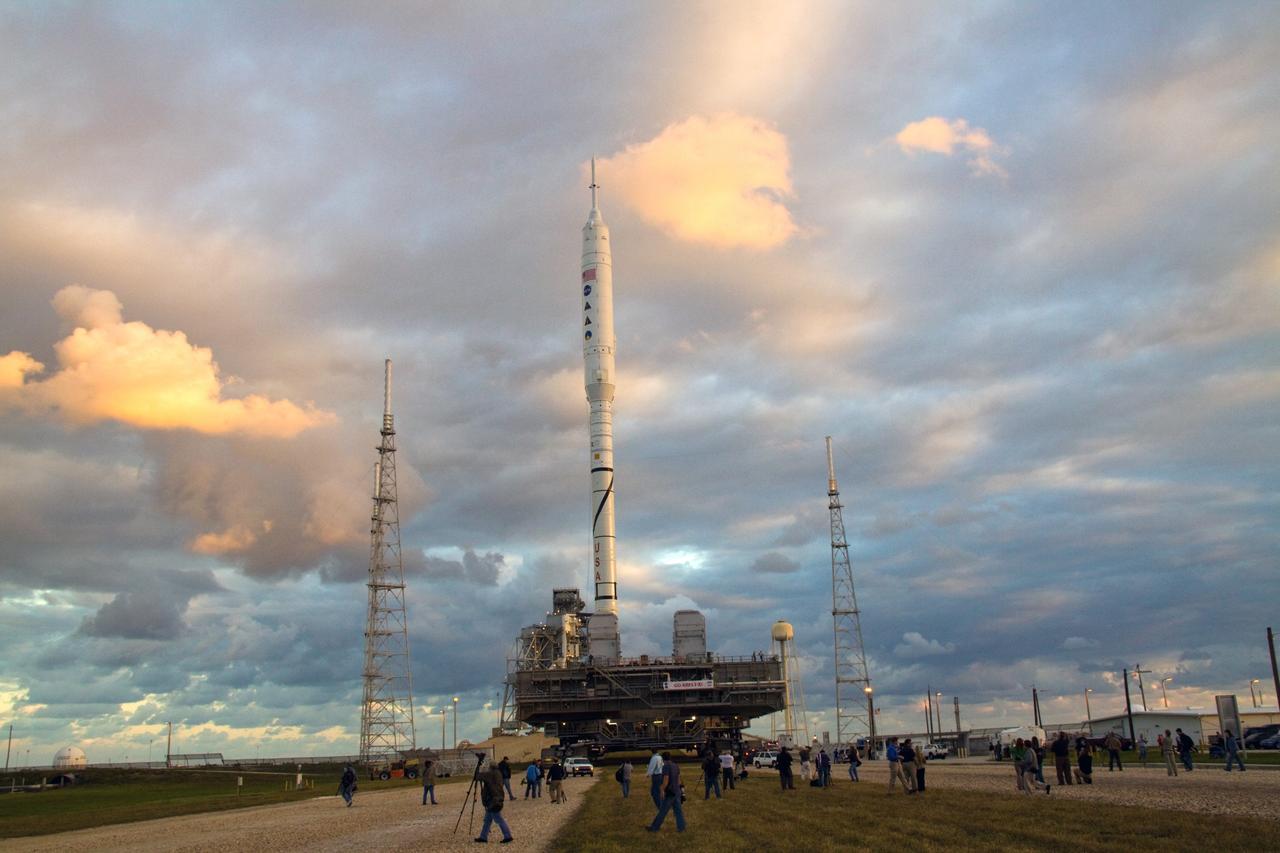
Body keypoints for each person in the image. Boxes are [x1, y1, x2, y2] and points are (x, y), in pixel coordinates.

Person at [475, 759, 514, 844]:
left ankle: (508, 836)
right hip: (496, 799)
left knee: (499, 819)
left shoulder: (491, 774)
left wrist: (478, 766)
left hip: (493, 800)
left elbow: (478, 777)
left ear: (490, 767)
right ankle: (483, 837)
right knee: (487, 820)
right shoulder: (498, 773)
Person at [647, 752, 685, 833]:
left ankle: (654, 827)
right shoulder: (675, 765)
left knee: (662, 811)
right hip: (676, 791)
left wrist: (662, 789)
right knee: (678, 811)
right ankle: (681, 827)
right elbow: (678, 780)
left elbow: (666, 780)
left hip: (670, 793)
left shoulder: (666, 766)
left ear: (663, 759)